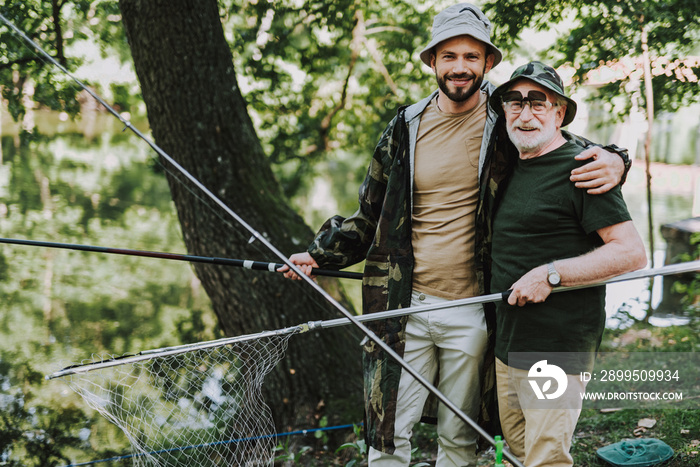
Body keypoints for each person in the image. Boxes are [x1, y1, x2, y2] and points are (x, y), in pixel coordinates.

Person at [280, 4, 629, 466]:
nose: (459, 67)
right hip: (404, 306)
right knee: (386, 436)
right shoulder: (404, 128)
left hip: (474, 310)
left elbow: (560, 145)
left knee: (459, 439)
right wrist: (318, 255)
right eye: (448, 56)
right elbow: (369, 215)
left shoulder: (507, 121)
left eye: (471, 56)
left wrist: (619, 159)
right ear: (432, 62)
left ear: (488, 62)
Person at [486, 61, 647, 467]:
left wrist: (552, 274)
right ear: (504, 110)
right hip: (508, 345)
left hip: (555, 349)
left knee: (547, 461)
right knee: (518, 457)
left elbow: (630, 252)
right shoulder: (507, 166)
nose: (525, 114)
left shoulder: (584, 167)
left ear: (559, 112)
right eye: (515, 102)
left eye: (538, 102)